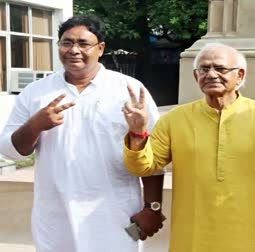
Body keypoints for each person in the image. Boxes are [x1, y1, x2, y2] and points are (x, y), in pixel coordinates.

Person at [0, 15, 165, 252]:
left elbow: (154, 157)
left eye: (83, 44)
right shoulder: (36, 93)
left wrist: (153, 207)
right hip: (55, 218)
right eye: (66, 43)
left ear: (100, 49)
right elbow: (10, 151)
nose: (74, 50)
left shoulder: (129, 90)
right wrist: (35, 125)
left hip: (114, 213)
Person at [122, 43, 255, 252]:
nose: (211, 74)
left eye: (220, 69)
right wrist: (138, 132)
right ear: (196, 77)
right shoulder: (175, 120)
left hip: (253, 236)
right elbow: (142, 167)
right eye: (204, 69)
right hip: (192, 236)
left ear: (240, 76)